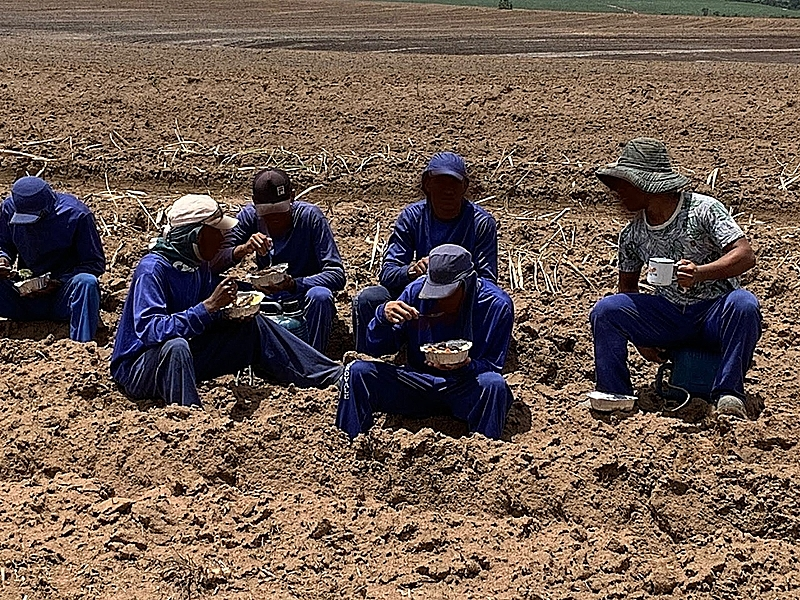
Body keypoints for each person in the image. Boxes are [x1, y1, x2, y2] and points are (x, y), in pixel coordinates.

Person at [111, 194, 342, 407]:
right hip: (141, 369)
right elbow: (151, 330)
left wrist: (230, 309)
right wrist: (209, 307)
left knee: (252, 327)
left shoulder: (198, 266)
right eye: (217, 232)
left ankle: (326, 375)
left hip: (184, 360)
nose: (223, 239)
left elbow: (205, 310)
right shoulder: (152, 270)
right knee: (176, 347)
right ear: (196, 236)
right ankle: (189, 417)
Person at [589, 137, 761, 419]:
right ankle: (614, 394)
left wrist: (700, 273)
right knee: (607, 310)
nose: (617, 194)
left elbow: (744, 255)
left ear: (646, 186)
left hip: (714, 313)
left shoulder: (704, 210)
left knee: (744, 304)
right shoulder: (632, 235)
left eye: (624, 186)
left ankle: (729, 394)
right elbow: (627, 290)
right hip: (670, 315)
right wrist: (642, 340)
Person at [337, 244, 514, 440]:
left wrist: (466, 366)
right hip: (418, 383)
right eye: (433, 293)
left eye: (446, 294)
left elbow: (493, 365)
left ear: (467, 282)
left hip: (464, 387)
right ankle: (349, 442)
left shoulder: (496, 305)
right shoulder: (415, 292)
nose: (438, 301)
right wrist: (382, 318)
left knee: (494, 385)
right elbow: (379, 347)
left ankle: (483, 448)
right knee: (356, 372)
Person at [352, 152, 498, 353]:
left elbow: (487, 280)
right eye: (441, 183)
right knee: (369, 299)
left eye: (454, 184)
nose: (448, 191)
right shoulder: (412, 217)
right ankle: (367, 357)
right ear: (427, 185)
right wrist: (412, 271)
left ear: (464, 187)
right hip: (418, 294)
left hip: (460, 299)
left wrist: (457, 285)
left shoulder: (480, 223)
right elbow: (388, 273)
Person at [211, 168, 344, 353]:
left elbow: (336, 274)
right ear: (255, 203)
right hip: (264, 296)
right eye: (267, 212)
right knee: (216, 286)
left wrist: (294, 284)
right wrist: (243, 249)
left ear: (292, 197)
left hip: (302, 295)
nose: (274, 218)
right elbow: (214, 262)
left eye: (280, 211)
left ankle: (313, 357)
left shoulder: (310, 217)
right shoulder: (249, 217)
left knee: (320, 296)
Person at [0, 176, 105, 342]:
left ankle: (82, 346)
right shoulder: (8, 208)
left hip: (61, 297)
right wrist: (3, 258)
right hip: (23, 297)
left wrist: (59, 282)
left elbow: (94, 263)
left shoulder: (76, 215)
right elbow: (3, 244)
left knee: (87, 282)